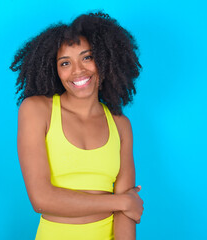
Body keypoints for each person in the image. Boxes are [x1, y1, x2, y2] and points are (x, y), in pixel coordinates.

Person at [10, 12, 144, 240]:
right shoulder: (36, 110)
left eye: (87, 58)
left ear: (104, 60)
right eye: (65, 63)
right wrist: (120, 201)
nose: (77, 70)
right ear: (55, 70)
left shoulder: (120, 124)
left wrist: (126, 203)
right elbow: (42, 199)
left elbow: (127, 214)